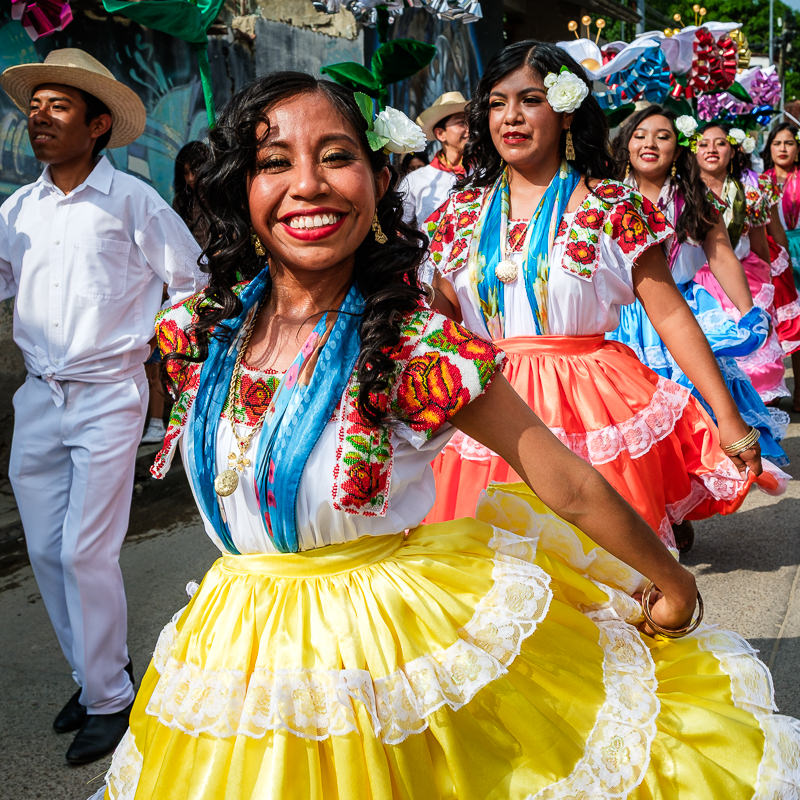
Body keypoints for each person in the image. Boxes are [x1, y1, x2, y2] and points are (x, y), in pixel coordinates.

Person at [91, 69, 800, 800]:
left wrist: (673, 583)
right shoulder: (198, 332)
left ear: (378, 181)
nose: (308, 184)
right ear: (240, 186)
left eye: (336, 156)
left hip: (380, 652)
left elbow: (564, 480)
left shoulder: (413, 344)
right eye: (275, 162)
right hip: (234, 646)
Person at [424, 42, 781, 551]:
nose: (511, 117)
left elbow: (672, 316)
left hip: (587, 410)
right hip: (487, 408)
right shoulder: (458, 213)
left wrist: (728, 418)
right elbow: (438, 319)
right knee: (494, 578)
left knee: (602, 571)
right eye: (498, 103)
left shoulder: (612, 207)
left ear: (567, 113)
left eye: (531, 100)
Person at [0, 48, 204, 765]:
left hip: (109, 394)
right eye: (35, 107)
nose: (40, 118)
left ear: (96, 125)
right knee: (46, 550)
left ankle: (111, 701)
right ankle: (94, 678)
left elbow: (191, 281)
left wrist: (158, 350)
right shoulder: (17, 210)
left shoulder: (132, 201)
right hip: (39, 396)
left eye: (58, 107)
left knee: (85, 550)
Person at [607, 106, 787, 470]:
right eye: (640, 135)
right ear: (626, 145)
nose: (649, 143)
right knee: (630, 415)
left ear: (677, 149)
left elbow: (722, 257)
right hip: (621, 319)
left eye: (662, 136)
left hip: (684, 314)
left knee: (694, 411)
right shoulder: (605, 197)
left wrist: (749, 311)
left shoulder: (695, 198)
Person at [693, 123, 791, 407]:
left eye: (720, 143)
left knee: (752, 353)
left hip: (744, 277)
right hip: (698, 283)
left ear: (734, 150)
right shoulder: (684, 192)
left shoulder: (748, 191)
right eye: (703, 144)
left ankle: (755, 412)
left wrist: (767, 281)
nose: (711, 149)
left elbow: (760, 243)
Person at [760, 121, 800, 411]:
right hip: (772, 255)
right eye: (777, 143)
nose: (783, 148)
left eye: (789, 143)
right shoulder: (760, 181)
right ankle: (769, 391)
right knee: (774, 325)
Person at [398, 90, 468, 229]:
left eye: (469, 122)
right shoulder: (415, 180)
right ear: (441, 134)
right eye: (461, 123)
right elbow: (400, 228)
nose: (469, 129)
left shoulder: (483, 173)